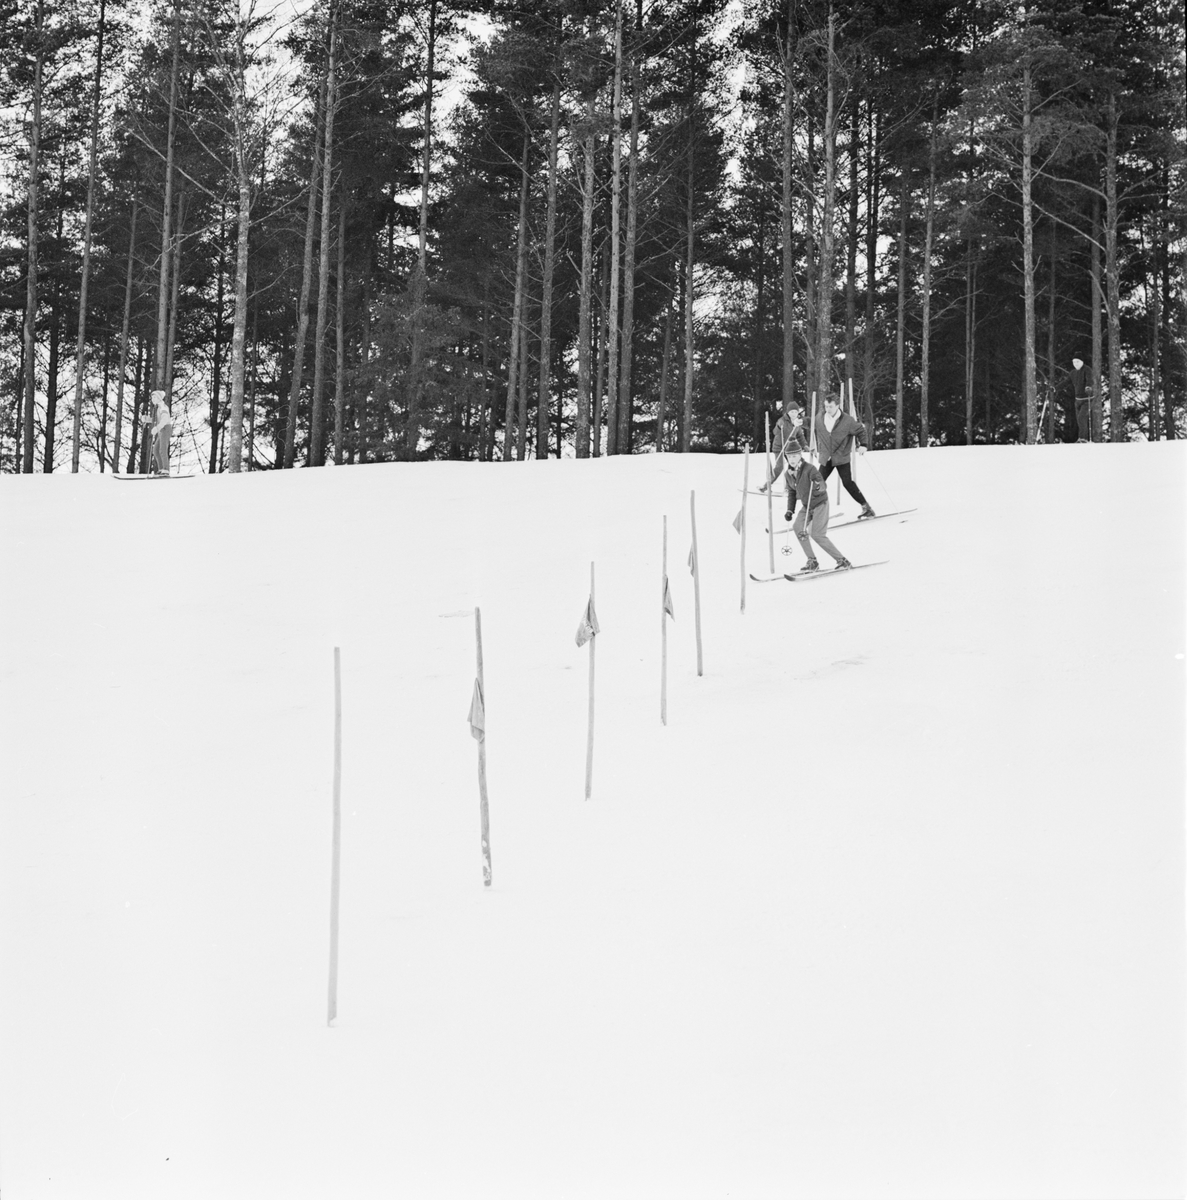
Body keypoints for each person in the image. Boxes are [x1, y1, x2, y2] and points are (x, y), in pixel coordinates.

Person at [784, 446, 851, 572]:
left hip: (820, 503)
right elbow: (792, 493)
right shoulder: (788, 474)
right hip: (807, 505)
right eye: (789, 456)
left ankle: (842, 560)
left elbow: (822, 483)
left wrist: (818, 485)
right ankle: (812, 561)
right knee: (798, 527)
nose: (792, 459)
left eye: (794, 456)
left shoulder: (810, 469)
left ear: (800, 455)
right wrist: (789, 510)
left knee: (817, 534)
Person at [814, 394, 874, 518]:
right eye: (826, 406)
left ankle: (866, 507)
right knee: (817, 483)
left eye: (830, 406)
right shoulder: (820, 417)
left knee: (847, 483)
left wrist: (863, 444)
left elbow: (861, 431)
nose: (827, 409)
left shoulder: (847, 421)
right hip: (826, 458)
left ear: (837, 406)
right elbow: (810, 422)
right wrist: (801, 422)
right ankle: (813, 512)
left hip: (841, 457)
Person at [759, 402, 810, 493]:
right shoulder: (782, 420)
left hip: (789, 448)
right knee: (780, 466)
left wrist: (805, 445)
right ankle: (767, 485)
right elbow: (775, 432)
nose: (794, 414)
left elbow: (800, 436)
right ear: (788, 412)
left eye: (795, 412)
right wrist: (779, 427)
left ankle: (788, 488)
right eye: (792, 412)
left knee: (793, 466)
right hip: (779, 447)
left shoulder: (797, 422)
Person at [149, 390, 172, 475]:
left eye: (154, 397)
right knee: (156, 450)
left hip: (166, 428)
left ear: (159, 398)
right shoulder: (158, 408)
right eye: (152, 397)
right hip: (161, 430)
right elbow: (156, 420)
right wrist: (147, 419)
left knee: (162, 449)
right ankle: (161, 469)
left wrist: (157, 428)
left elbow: (165, 419)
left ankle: (166, 469)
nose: (152, 399)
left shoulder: (163, 407)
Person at [1071, 358, 1090, 442]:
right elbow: (1067, 381)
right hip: (1077, 400)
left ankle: (1083, 438)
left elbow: (1090, 379)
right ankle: (1082, 438)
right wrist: (1055, 388)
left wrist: (1088, 387)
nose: (1076, 364)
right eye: (1074, 362)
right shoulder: (1073, 373)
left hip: (1087, 399)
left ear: (1082, 362)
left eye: (1077, 361)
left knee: (1081, 418)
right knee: (1079, 420)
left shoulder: (1087, 369)